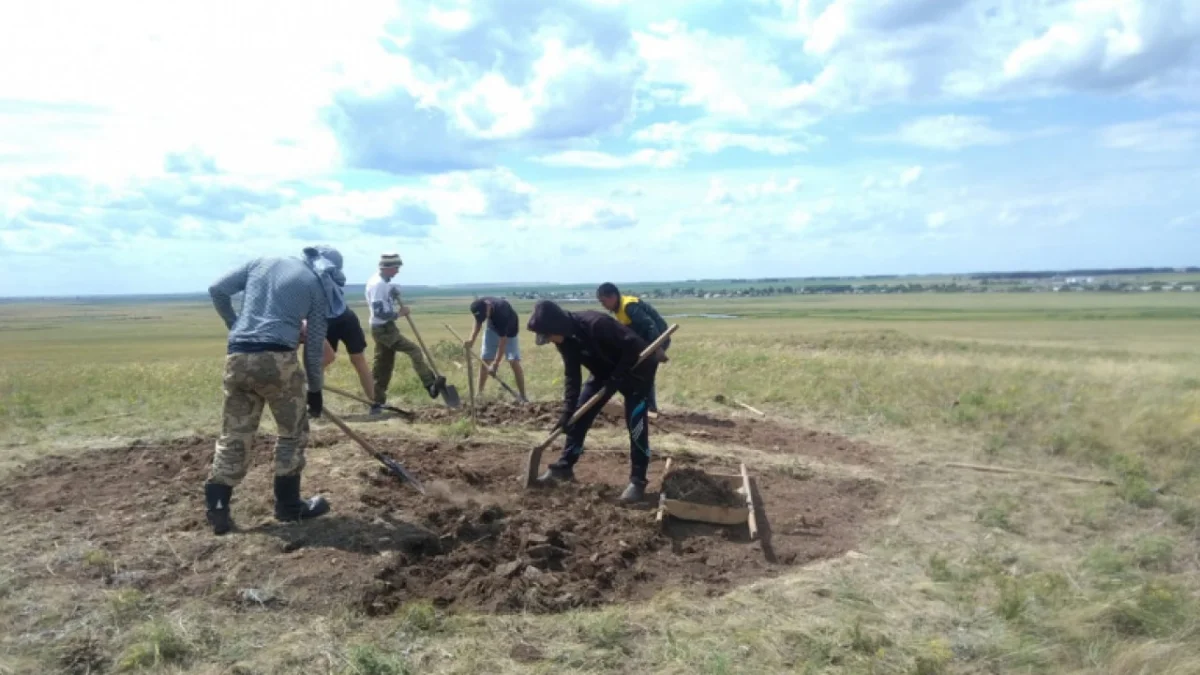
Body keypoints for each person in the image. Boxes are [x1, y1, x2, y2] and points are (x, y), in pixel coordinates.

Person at [203, 250, 337, 536]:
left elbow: (217, 289)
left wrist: (235, 324)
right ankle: (289, 506)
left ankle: (217, 506)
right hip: (278, 360)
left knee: (235, 433)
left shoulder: (260, 262)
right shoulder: (316, 286)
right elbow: (314, 350)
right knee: (292, 432)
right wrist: (315, 390)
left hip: (237, 356)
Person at [526, 299, 660, 503]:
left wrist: (618, 376)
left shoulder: (596, 324)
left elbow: (632, 346)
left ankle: (637, 482)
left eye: (549, 335)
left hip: (637, 371)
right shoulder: (566, 341)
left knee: (636, 426)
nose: (550, 340)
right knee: (579, 416)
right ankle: (564, 468)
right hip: (603, 373)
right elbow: (572, 376)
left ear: (557, 326)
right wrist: (567, 412)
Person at [366, 252, 446, 413]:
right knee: (414, 350)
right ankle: (430, 384)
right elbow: (378, 312)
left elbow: (383, 301)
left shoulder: (382, 282)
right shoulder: (378, 284)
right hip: (383, 329)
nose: (397, 271)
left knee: (383, 366)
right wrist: (399, 314)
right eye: (396, 268)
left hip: (385, 328)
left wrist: (392, 292)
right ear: (387, 268)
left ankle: (376, 403)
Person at [298, 246, 374, 403]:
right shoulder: (305, 279)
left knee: (358, 359)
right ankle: (313, 405)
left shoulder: (329, 272)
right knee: (319, 362)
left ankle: (376, 402)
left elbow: (337, 277)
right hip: (321, 322)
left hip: (345, 318)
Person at [596, 282, 669, 414]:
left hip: (658, 339)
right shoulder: (618, 309)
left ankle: (650, 408)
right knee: (636, 372)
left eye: (603, 301)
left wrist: (658, 349)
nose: (603, 305)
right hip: (645, 341)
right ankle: (642, 403)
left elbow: (650, 326)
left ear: (613, 297)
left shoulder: (629, 306)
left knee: (646, 373)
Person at [463, 296, 527, 402]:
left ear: (488, 307)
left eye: (485, 315)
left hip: (509, 332)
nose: (484, 318)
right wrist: (471, 340)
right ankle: (479, 395)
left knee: (513, 361)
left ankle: (523, 396)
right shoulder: (479, 306)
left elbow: (503, 341)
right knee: (485, 360)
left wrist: (496, 365)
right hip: (491, 329)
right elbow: (478, 323)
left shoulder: (502, 311)